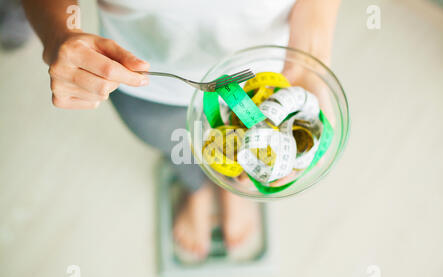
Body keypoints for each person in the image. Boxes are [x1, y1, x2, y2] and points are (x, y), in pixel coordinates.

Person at [22, 0, 341, 261]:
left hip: (273, 74)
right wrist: (59, 34)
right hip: (145, 84)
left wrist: (309, 59)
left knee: (233, 164)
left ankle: (228, 187)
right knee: (179, 149)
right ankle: (196, 187)